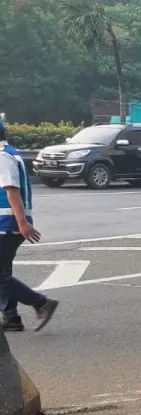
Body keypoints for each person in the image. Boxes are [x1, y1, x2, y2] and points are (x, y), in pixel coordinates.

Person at [0, 120, 57, 332]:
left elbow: (11, 189)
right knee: (3, 272)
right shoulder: (9, 152)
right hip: (9, 224)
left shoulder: (2, 155)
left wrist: (22, 222)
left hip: (7, 224)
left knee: (0, 274)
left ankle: (41, 303)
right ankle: (11, 317)